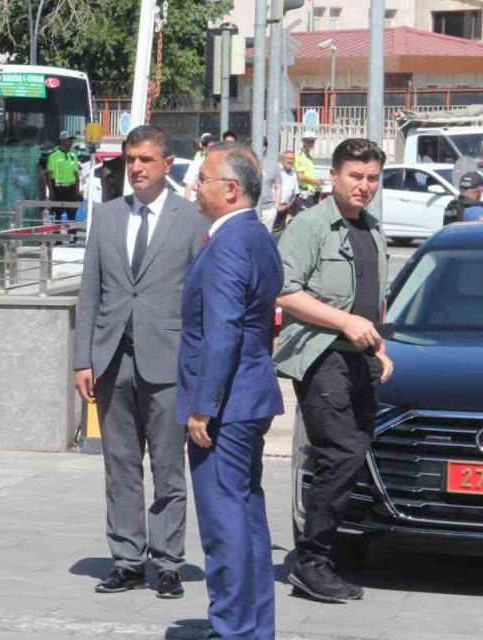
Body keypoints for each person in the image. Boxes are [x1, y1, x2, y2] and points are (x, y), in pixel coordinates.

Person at [74, 125, 210, 599]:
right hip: (112, 360)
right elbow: (89, 292)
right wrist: (82, 360)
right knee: (121, 467)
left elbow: (201, 299)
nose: (136, 168)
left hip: (168, 362)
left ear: (167, 163)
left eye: (146, 160)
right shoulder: (107, 217)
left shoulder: (190, 220)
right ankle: (127, 560)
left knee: (169, 468)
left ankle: (169, 561)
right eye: (131, 159)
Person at [275, 138, 393, 603]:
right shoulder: (309, 226)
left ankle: (333, 552)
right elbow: (284, 292)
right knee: (341, 453)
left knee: (353, 454)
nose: (364, 186)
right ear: (334, 176)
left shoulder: (373, 229)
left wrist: (379, 346)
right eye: (355, 176)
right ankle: (312, 562)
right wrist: (345, 321)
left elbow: (371, 300)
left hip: (359, 358)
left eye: (372, 178)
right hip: (321, 356)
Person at [178, 143, 284, 639]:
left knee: (225, 528)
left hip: (226, 405)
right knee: (246, 519)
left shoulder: (228, 243)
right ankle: (253, 627)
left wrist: (203, 407)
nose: (195, 186)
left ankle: (233, 630)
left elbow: (221, 330)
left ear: (231, 190)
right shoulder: (256, 235)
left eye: (203, 178)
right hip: (249, 396)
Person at [45, 131, 82, 222]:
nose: (71, 142)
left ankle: (73, 235)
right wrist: (51, 192)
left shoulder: (73, 155)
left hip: (71, 190)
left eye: (71, 140)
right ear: (63, 141)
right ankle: (56, 235)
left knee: (72, 217)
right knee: (56, 216)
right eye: (69, 140)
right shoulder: (53, 156)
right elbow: (49, 176)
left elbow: (76, 175)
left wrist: (77, 190)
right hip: (58, 190)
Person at [182, 132, 214, 201]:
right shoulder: (196, 163)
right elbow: (188, 185)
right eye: (210, 148)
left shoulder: (221, 163)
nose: (213, 150)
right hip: (198, 202)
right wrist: (187, 204)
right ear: (204, 148)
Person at [273, 151, 301, 231]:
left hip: (285, 208)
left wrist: (287, 206)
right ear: (282, 159)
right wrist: (277, 205)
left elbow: (295, 193)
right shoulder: (276, 170)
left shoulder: (293, 173)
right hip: (272, 206)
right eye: (288, 158)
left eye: (292, 159)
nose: (290, 161)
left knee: (279, 231)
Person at [295, 131, 323, 208]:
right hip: (305, 194)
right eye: (308, 141)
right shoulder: (301, 156)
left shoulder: (307, 156)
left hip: (310, 193)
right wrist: (315, 181)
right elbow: (300, 176)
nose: (311, 143)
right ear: (303, 141)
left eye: (312, 141)